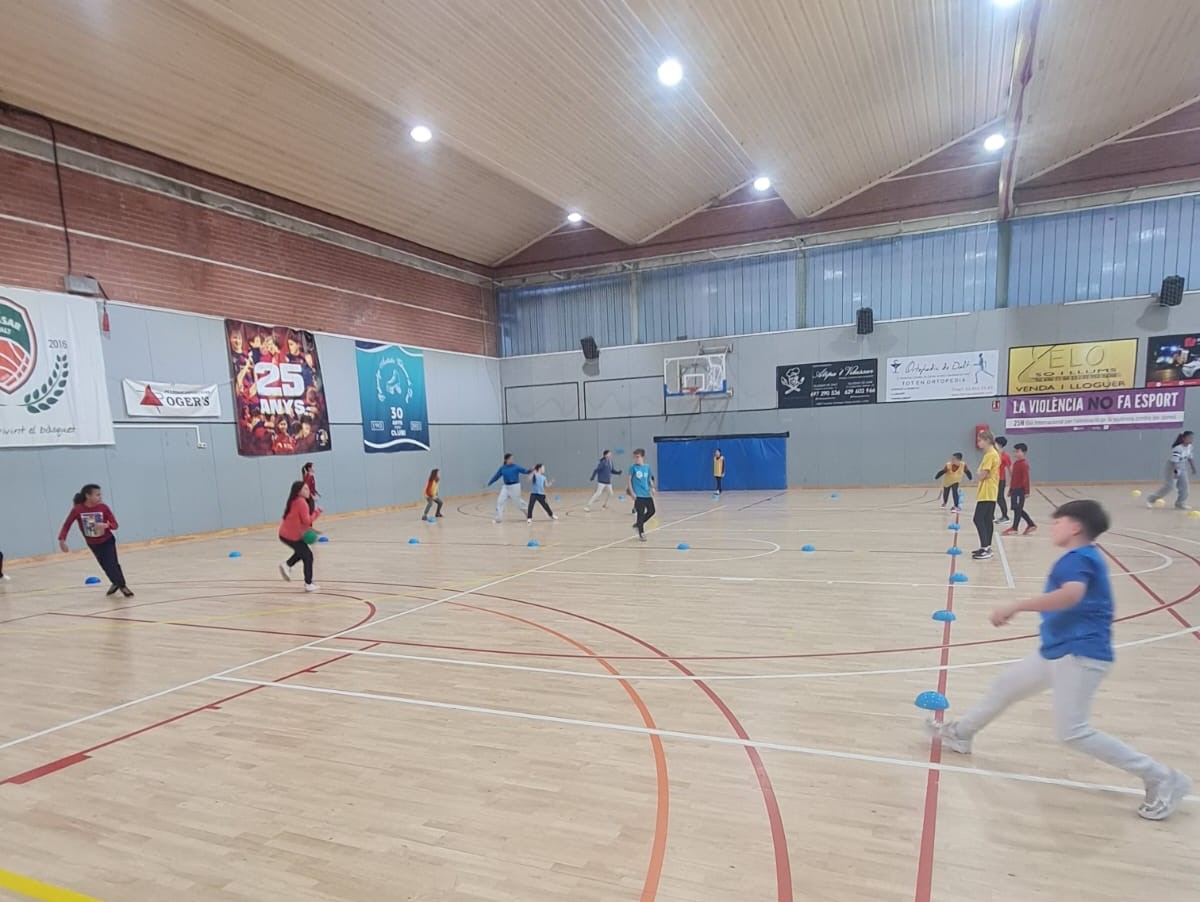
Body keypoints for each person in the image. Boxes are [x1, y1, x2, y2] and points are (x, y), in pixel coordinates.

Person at [927, 500, 1190, 821]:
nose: (1053, 526)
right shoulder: (1084, 557)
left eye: (1058, 521)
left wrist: (1016, 606)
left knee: (1073, 731)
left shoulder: (1077, 559)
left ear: (1075, 526)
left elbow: (1071, 594)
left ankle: (1161, 777)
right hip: (1058, 650)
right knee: (1006, 686)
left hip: (1080, 654)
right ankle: (961, 733)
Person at [58, 484, 133, 597]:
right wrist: (62, 540)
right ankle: (115, 582)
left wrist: (106, 525)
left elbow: (115, 525)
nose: (100, 497)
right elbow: (67, 525)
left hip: (107, 541)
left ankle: (122, 586)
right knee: (104, 565)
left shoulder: (103, 508)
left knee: (112, 563)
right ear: (88, 496)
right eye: (97, 495)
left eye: (100, 495)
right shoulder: (77, 510)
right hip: (93, 544)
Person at [278, 480, 320, 592]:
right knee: (308, 555)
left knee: (302, 552)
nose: (308, 491)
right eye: (305, 489)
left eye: (308, 488)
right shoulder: (301, 502)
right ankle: (308, 584)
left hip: (286, 534)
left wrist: (311, 530)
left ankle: (287, 565)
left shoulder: (294, 501)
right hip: (291, 536)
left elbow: (299, 521)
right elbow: (306, 520)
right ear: (299, 491)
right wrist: (317, 512)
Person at [1147, 431, 1195, 510]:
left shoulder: (1190, 447)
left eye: (1192, 438)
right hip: (1172, 467)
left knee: (1185, 488)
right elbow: (1175, 462)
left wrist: (1193, 468)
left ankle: (1180, 503)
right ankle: (1151, 499)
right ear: (1184, 438)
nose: (1191, 439)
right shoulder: (1178, 448)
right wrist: (1176, 473)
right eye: (1189, 438)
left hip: (1182, 467)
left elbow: (1190, 458)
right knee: (1169, 487)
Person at [972, 430, 1000, 560]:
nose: (978, 443)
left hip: (987, 491)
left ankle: (985, 547)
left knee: (978, 518)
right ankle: (987, 546)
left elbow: (982, 475)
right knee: (987, 519)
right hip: (990, 490)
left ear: (987, 441)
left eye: (980, 440)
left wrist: (979, 473)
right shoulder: (993, 454)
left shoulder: (990, 455)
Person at [1003, 443, 1037, 536]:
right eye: (1014, 451)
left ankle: (1015, 528)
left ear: (1024, 452)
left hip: (1020, 490)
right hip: (1014, 489)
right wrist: (1010, 489)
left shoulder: (1024, 464)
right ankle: (1030, 524)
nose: (1015, 454)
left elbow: (1026, 478)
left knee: (1018, 508)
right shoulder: (1016, 463)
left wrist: (1027, 491)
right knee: (1016, 508)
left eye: (1018, 451)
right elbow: (1014, 478)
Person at [488, 453, 530, 523]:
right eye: (510, 459)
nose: (512, 460)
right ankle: (498, 518)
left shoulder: (516, 467)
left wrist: (531, 470)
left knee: (518, 503)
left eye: (512, 459)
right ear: (506, 460)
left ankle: (528, 513)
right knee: (500, 501)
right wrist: (490, 482)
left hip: (515, 486)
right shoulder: (502, 468)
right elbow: (496, 476)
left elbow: (525, 471)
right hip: (506, 487)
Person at [628, 448, 657, 542]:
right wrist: (632, 493)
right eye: (634, 457)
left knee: (652, 511)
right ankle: (641, 533)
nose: (636, 459)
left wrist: (652, 487)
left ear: (642, 457)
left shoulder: (647, 467)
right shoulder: (633, 468)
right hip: (638, 495)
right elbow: (629, 481)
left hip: (647, 494)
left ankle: (638, 524)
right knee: (640, 513)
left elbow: (649, 479)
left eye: (638, 457)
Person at [994, 436, 1012, 523]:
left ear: (1000, 444)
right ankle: (991, 516)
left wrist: (1012, 481)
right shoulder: (993, 454)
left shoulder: (1005, 456)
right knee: (992, 497)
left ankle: (1005, 516)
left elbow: (1010, 468)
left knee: (1000, 498)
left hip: (1001, 479)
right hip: (993, 479)